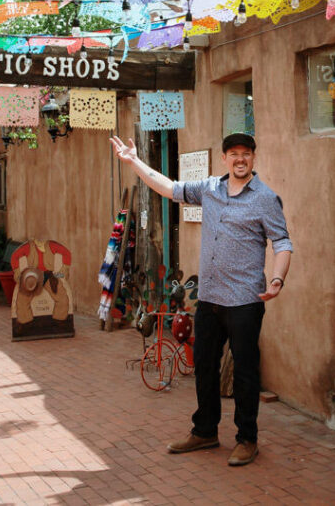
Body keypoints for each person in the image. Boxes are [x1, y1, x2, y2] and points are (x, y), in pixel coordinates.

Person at [110, 132, 292, 467]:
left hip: (245, 301)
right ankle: (205, 430)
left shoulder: (266, 198)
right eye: (234, 153)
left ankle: (247, 439)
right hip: (209, 299)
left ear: (253, 158)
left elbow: (282, 242)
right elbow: (169, 188)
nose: (240, 159)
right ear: (224, 158)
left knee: (246, 373)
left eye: (246, 154)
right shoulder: (209, 189)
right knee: (204, 367)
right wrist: (134, 161)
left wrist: (278, 278)